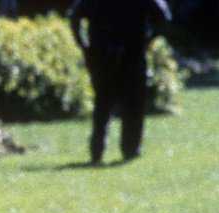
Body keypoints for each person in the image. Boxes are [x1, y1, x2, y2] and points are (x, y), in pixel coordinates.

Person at [68, 0, 172, 165]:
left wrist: (84, 44)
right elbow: (164, 16)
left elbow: (75, 15)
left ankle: (97, 150)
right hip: (132, 53)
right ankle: (131, 149)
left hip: (103, 54)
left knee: (103, 103)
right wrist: (148, 38)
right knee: (133, 105)